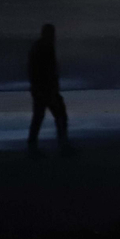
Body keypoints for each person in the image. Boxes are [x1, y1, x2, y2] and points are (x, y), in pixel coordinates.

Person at [27, 23, 73, 156]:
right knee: (59, 115)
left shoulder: (39, 46)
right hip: (46, 89)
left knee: (39, 117)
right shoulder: (45, 47)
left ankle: (32, 146)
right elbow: (47, 70)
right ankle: (63, 144)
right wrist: (51, 88)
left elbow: (34, 70)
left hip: (40, 88)